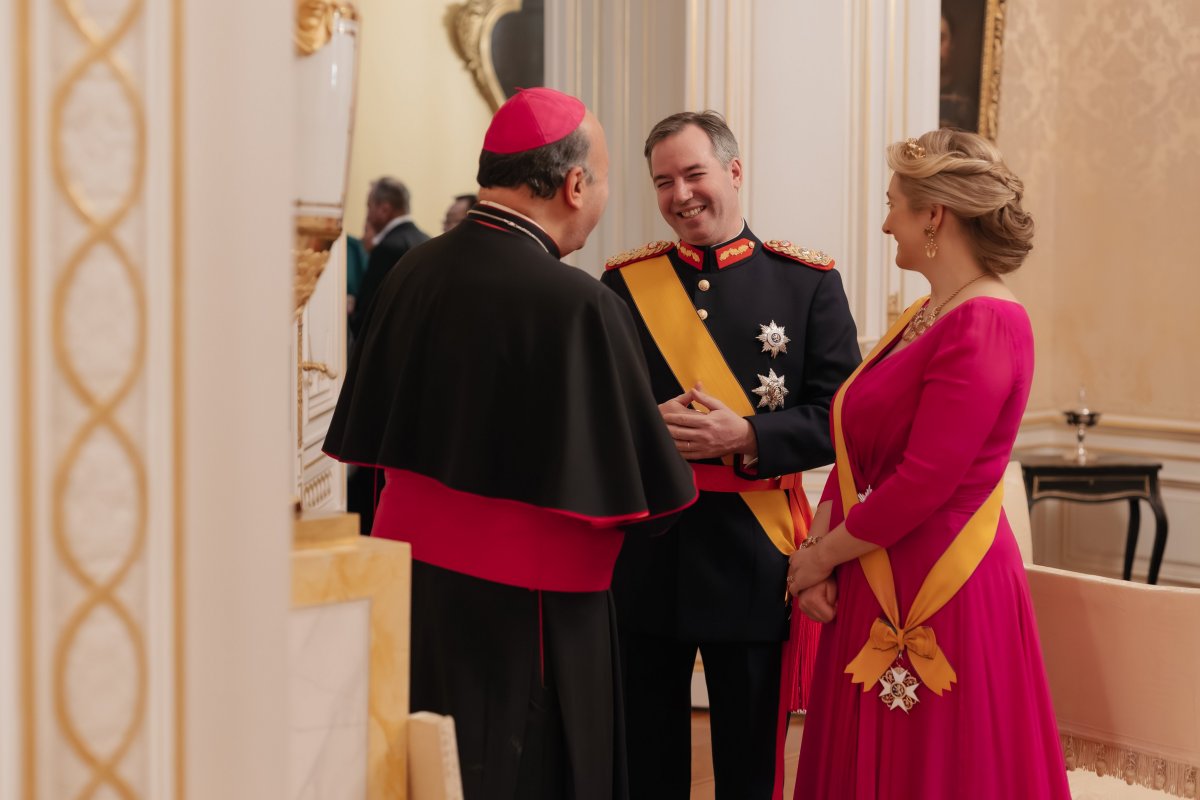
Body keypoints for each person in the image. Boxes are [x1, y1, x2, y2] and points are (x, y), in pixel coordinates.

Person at [323, 87, 697, 800]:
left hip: (416, 592)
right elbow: (645, 496)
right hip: (534, 612)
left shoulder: (411, 270)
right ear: (574, 183)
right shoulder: (580, 303)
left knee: (427, 765)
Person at [787, 129, 1069, 798]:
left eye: (894, 204)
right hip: (873, 564)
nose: (886, 222)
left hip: (944, 585)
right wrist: (821, 550)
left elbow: (924, 482)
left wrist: (822, 557)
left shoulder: (990, 321)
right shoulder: (923, 313)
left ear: (933, 215)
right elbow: (858, 449)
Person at [600, 111, 860, 799]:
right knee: (645, 754)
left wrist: (748, 438)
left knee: (749, 761)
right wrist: (638, 423)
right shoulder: (625, 285)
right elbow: (593, 414)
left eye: (694, 174)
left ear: (734, 172)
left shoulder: (806, 283)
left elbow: (845, 421)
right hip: (650, 549)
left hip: (754, 553)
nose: (680, 195)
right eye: (663, 182)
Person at [349, 176, 429, 337]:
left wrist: (350, 313)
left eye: (369, 207)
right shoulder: (427, 241)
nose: (368, 216)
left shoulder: (387, 248)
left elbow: (367, 314)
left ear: (384, 209)